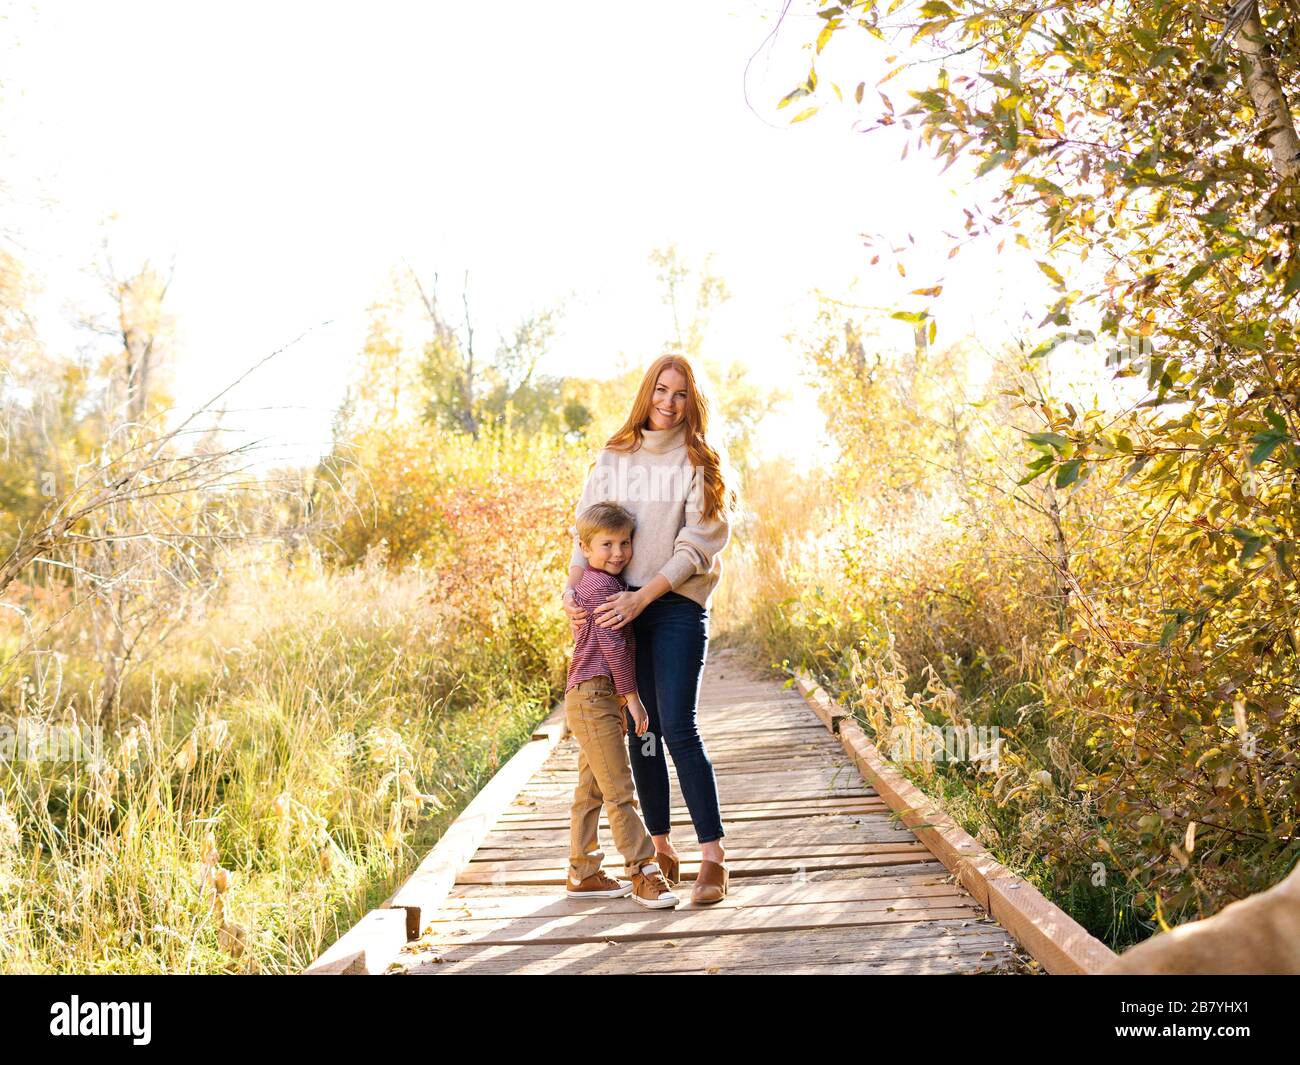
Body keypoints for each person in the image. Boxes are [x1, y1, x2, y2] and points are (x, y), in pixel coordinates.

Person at [562, 354, 737, 905]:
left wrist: (646, 596)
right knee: (643, 730)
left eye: (680, 394)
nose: (668, 402)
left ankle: (714, 858)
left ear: (692, 402)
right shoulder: (615, 457)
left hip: (673, 603)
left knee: (678, 726)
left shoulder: (699, 461)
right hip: (618, 609)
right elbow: (584, 531)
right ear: (647, 392)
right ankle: (660, 848)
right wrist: (572, 590)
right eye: (661, 390)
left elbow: (697, 545)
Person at [563, 500, 679, 908]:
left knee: (592, 789)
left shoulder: (599, 584)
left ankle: (583, 871)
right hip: (595, 696)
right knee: (620, 791)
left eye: (624, 543)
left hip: (593, 697)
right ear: (585, 547)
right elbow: (612, 647)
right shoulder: (600, 588)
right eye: (606, 544)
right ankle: (644, 872)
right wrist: (634, 700)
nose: (617, 553)